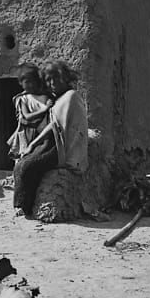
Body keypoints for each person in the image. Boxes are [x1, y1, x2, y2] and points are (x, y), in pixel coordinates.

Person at [12, 61, 88, 218]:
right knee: (21, 164)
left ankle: (24, 206)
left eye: (56, 78)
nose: (52, 84)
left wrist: (35, 145)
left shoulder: (71, 97)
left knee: (27, 166)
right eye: (48, 80)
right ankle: (23, 205)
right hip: (50, 145)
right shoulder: (59, 99)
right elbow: (51, 124)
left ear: (65, 78)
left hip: (60, 149)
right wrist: (33, 144)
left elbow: (58, 128)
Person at [6, 65, 53, 161]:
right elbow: (27, 116)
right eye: (27, 82)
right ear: (20, 83)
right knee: (24, 157)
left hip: (43, 134)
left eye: (33, 81)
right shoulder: (24, 99)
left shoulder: (45, 97)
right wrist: (44, 109)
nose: (31, 85)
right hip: (28, 133)